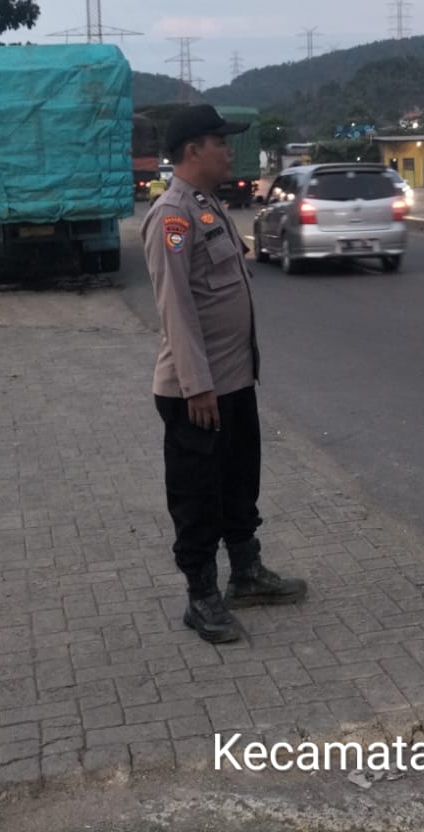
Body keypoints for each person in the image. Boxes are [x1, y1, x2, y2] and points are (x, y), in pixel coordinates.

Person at [141, 105, 306, 643]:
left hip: (233, 380)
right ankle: (201, 597)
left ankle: (247, 573)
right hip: (199, 390)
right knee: (198, 495)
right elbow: (176, 308)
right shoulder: (171, 216)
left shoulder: (207, 205)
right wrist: (197, 386)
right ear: (193, 150)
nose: (229, 151)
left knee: (238, 484)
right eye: (220, 142)